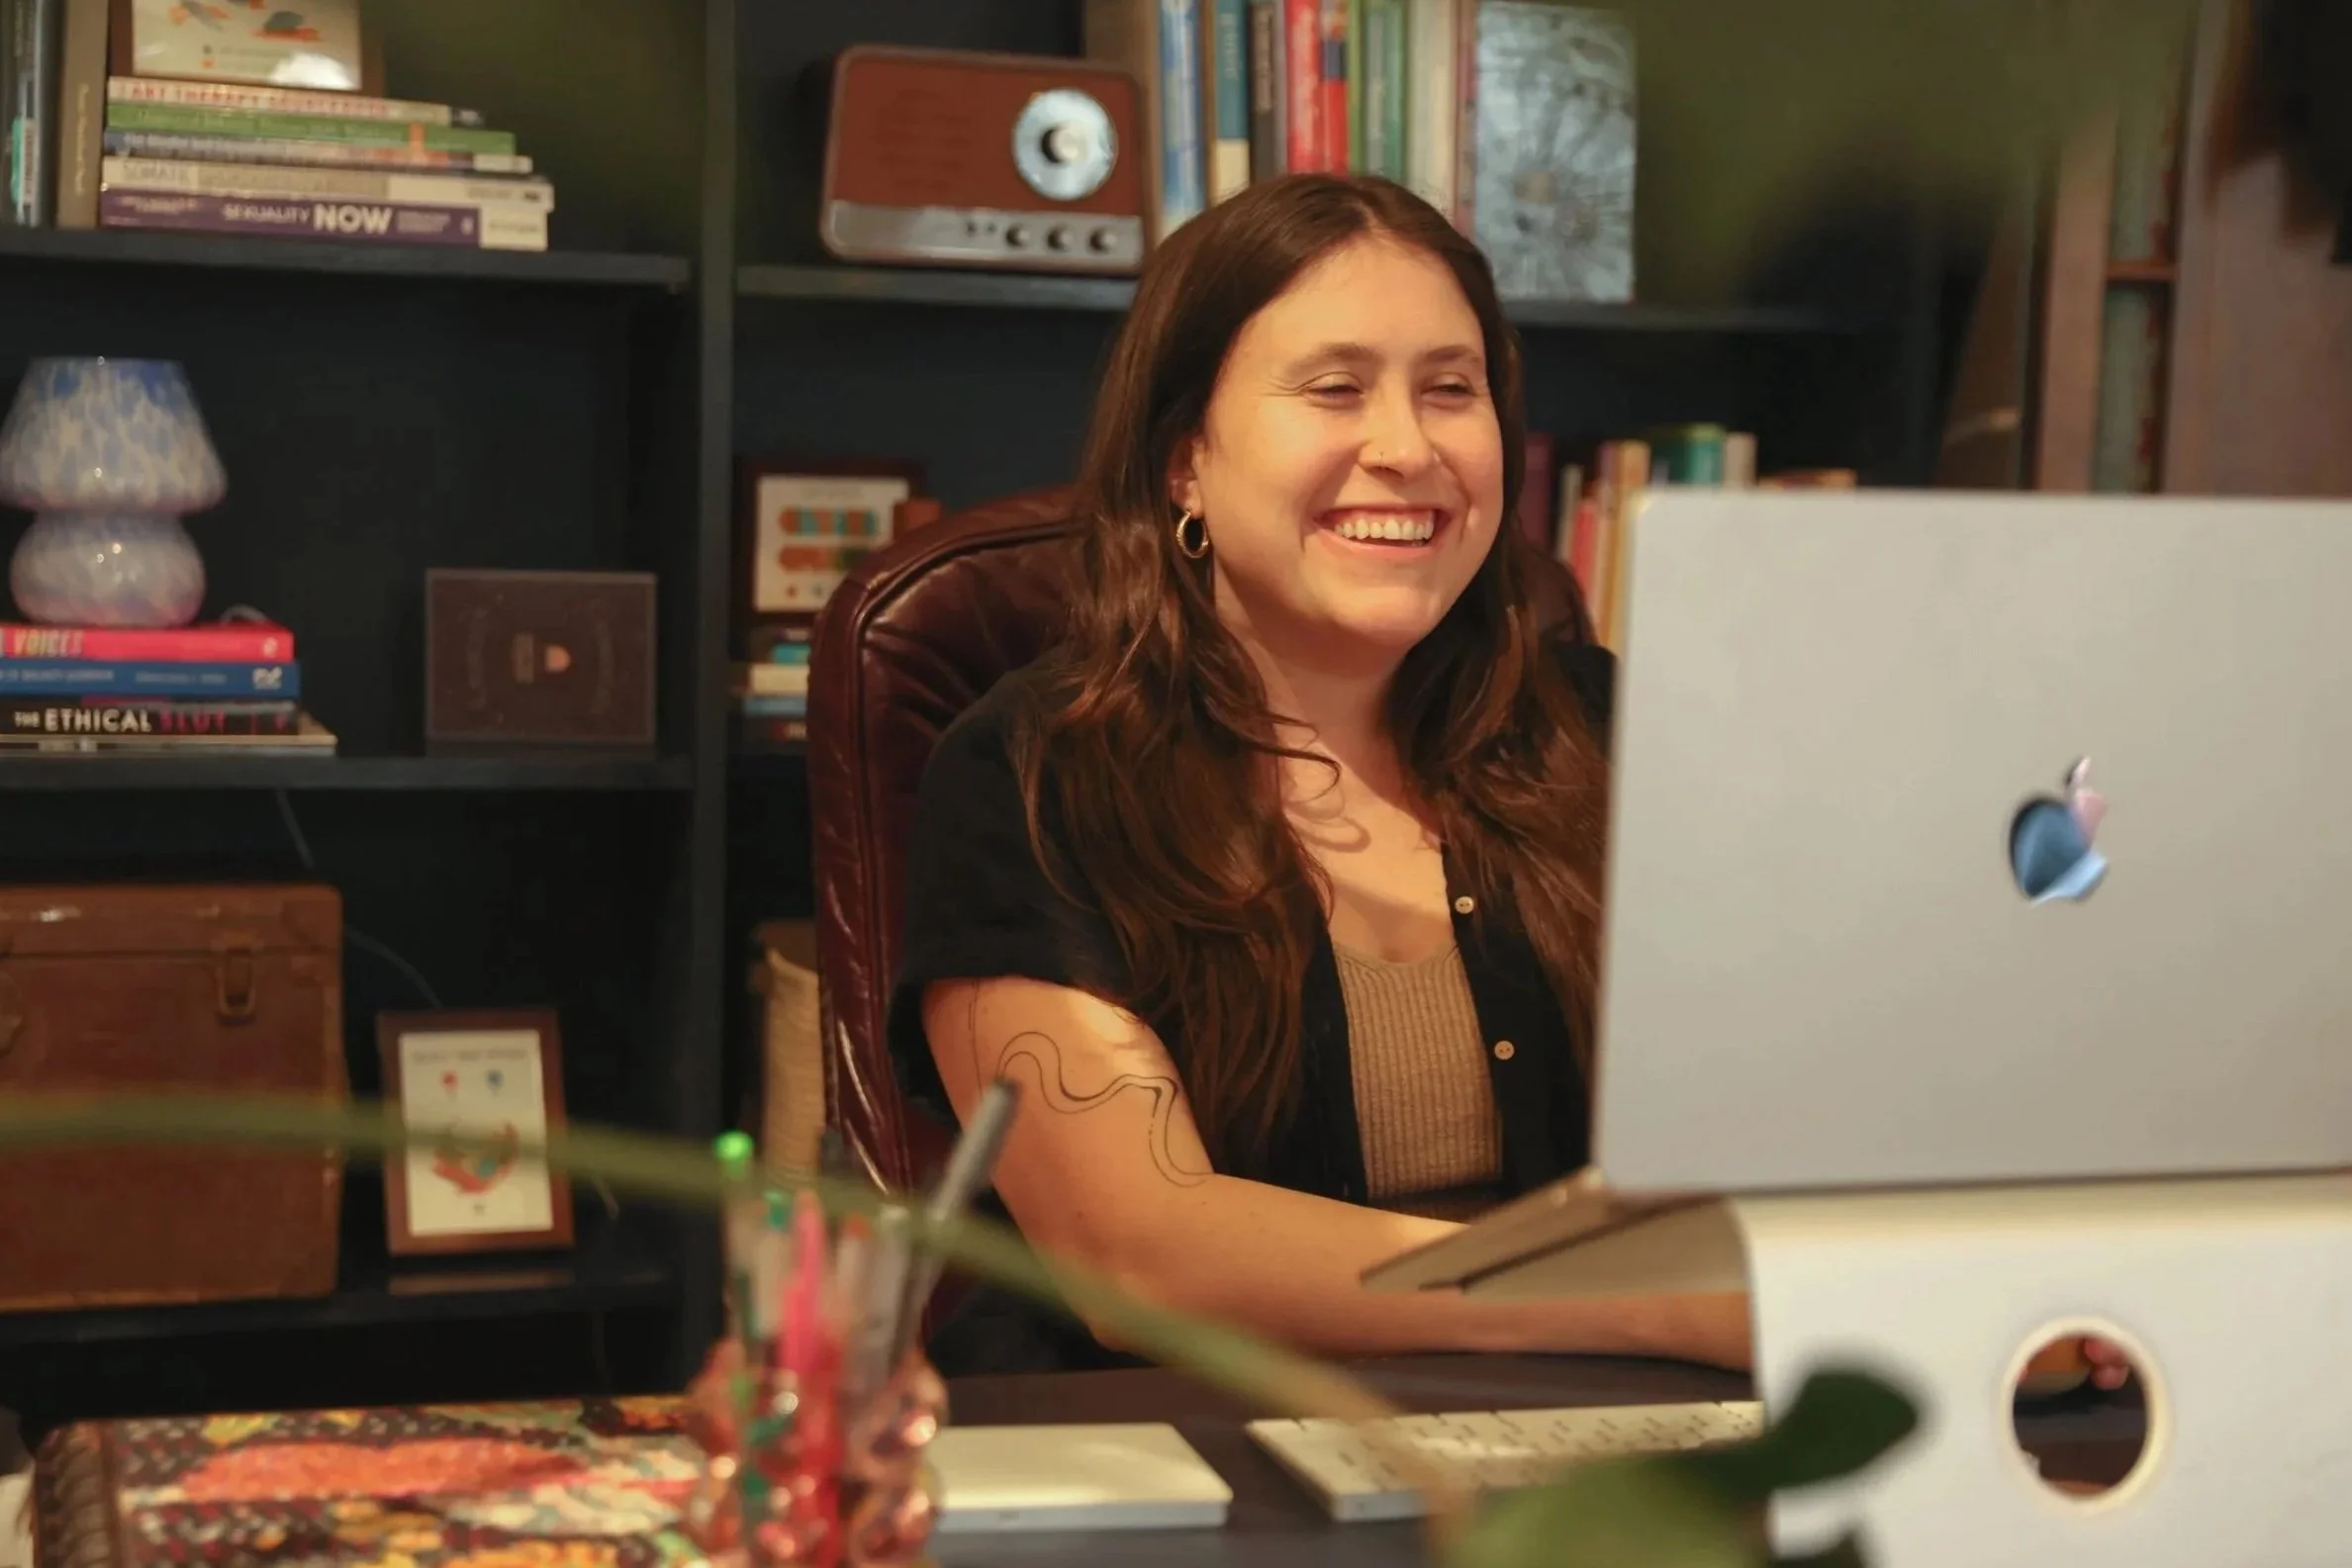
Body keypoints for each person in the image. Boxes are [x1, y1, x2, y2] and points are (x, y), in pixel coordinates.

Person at [884, 171, 2131, 1392]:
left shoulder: (1604, 732)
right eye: (1333, 388)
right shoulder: (1033, 775)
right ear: (1182, 463)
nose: (1406, 447)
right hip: (1181, 1468)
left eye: (1451, 390)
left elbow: (1833, 1080)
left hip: (1609, 1451)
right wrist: (1675, 1304)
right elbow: (1137, 1255)